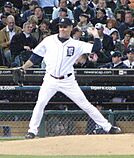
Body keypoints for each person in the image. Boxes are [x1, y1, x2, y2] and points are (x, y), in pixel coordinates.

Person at [20, 17, 121, 139]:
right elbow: (35, 57)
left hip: (68, 81)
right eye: (60, 26)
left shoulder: (76, 44)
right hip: (50, 79)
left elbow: (96, 48)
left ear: (71, 28)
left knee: (85, 105)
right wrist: (23, 68)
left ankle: (108, 127)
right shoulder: (49, 40)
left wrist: (95, 35)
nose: (62, 29)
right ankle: (32, 131)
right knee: (40, 103)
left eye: (65, 26)